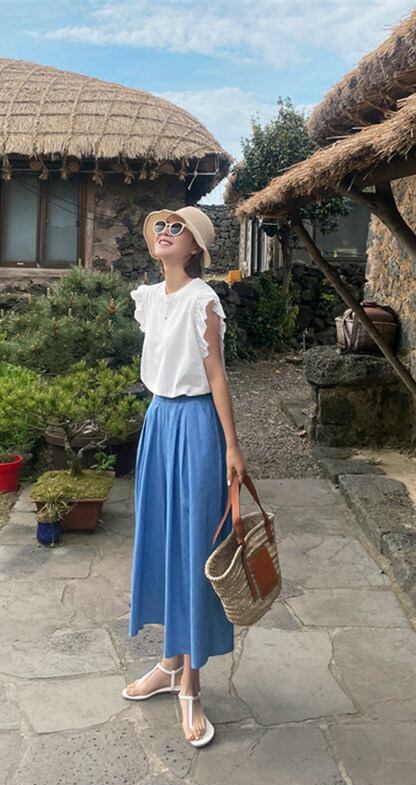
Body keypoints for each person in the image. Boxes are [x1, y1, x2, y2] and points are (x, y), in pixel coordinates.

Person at [122, 206, 248, 748]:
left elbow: (216, 373)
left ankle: (191, 683)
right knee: (161, 538)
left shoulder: (204, 300)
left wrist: (232, 447)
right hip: (159, 421)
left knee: (196, 545)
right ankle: (170, 664)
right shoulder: (149, 299)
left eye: (178, 229)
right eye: (162, 226)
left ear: (195, 247)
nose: (166, 232)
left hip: (197, 426)